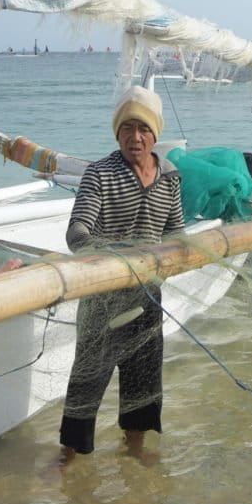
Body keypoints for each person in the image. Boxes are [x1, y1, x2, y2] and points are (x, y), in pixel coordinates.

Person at [58, 85, 184, 464]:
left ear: (155, 134)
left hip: (147, 297)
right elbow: (76, 234)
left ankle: (135, 449)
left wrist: (175, 253)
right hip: (103, 298)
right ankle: (68, 458)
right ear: (117, 132)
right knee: (87, 381)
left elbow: (176, 232)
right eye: (127, 128)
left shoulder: (171, 177)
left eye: (143, 129)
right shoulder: (100, 174)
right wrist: (120, 255)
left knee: (143, 379)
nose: (135, 137)